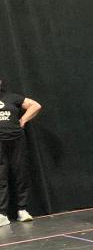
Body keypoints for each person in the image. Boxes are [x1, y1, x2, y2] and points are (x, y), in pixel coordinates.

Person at [0, 78, 41, 226]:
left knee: (20, 173)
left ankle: (22, 210)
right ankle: (2, 214)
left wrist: (23, 120)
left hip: (16, 140)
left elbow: (35, 106)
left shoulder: (12, 97)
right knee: (1, 177)